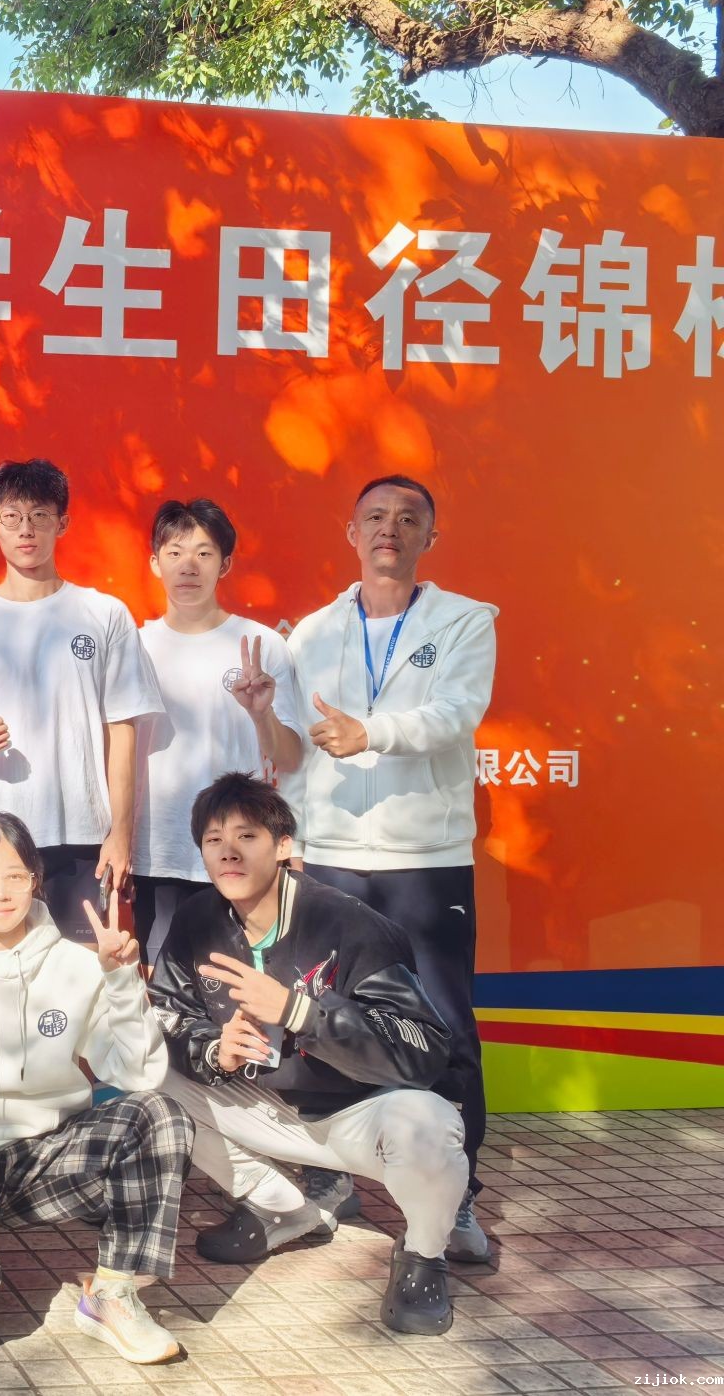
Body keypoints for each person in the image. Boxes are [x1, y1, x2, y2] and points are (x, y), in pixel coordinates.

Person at [150, 773, 467, 1336]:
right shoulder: (198, 918)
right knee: (143, 1075)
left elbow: (422, 1049)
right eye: (214, 840)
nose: (228, 852)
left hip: (358, 1113)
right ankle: (280, 1206)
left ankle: (423, 1256)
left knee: (430, 1122)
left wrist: (301, 1012)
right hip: (261, 1105)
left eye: (247, 836)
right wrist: (215, 1052)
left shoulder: (347, 922)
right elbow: (167, 1014)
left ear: (283, 845)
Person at [282, 475, 497, 1260]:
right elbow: (295, 749)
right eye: (375, 516)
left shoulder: (466, 621)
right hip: (332, 858)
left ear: (429, 538)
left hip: (424, 861)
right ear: (351, 532)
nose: (390, 529)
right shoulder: (310, 634)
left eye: (409, 519)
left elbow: (455, 715)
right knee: (322, 1022)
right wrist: (291, 834)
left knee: (445, 1025)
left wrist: (370, 733)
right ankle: (328, 1181)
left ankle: (456, 1197)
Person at [0, 812, 191, 1365]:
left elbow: (138, 1076)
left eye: (15, 875)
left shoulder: (78, 964)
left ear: (36, 878)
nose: (1, 892)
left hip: (54, 1153)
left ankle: (112, 1294)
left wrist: (121, 980)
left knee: (160, 1116)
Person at [0, 459, 163, 944]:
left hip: (84, 834)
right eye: (12, 517)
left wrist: (120, 834)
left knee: (85, 970)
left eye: (40, 515)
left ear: (63, 523)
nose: (26, 530)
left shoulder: (103, 614)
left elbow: (122, 731)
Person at [132, 499, 306, 965]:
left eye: (204, 553)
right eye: (175, 552)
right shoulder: (132, 647)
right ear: (155, 563)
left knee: (246, 985)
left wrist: (262, 715)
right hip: (159, 851)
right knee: (164, 987)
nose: (189, 566)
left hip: (243, 853)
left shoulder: (263, 645)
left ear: (225, 564)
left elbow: (290, 759)